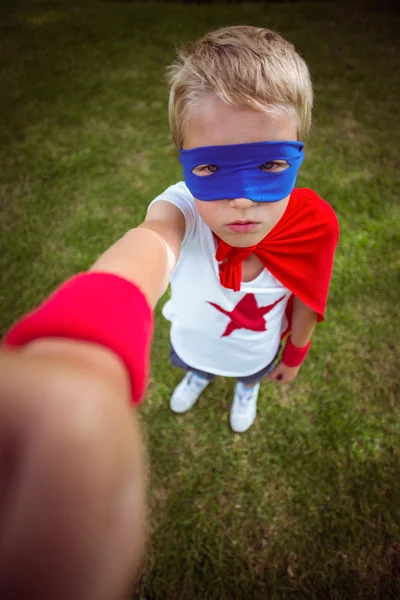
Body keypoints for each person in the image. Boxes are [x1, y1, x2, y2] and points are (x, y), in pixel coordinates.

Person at [0, 25, 339, 598]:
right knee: (196, 363)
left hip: (258, 347)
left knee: (249, 370)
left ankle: (245, 388)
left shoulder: (314, 225)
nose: (242, 199)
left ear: (300, 147)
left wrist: (296, 353)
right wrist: (85, 351)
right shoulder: (179, 210)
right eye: (210, 168)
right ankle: (204, 375)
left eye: (269, 167)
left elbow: (310, 294)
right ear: (183, 161)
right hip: (194, 337)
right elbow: (148, 247)